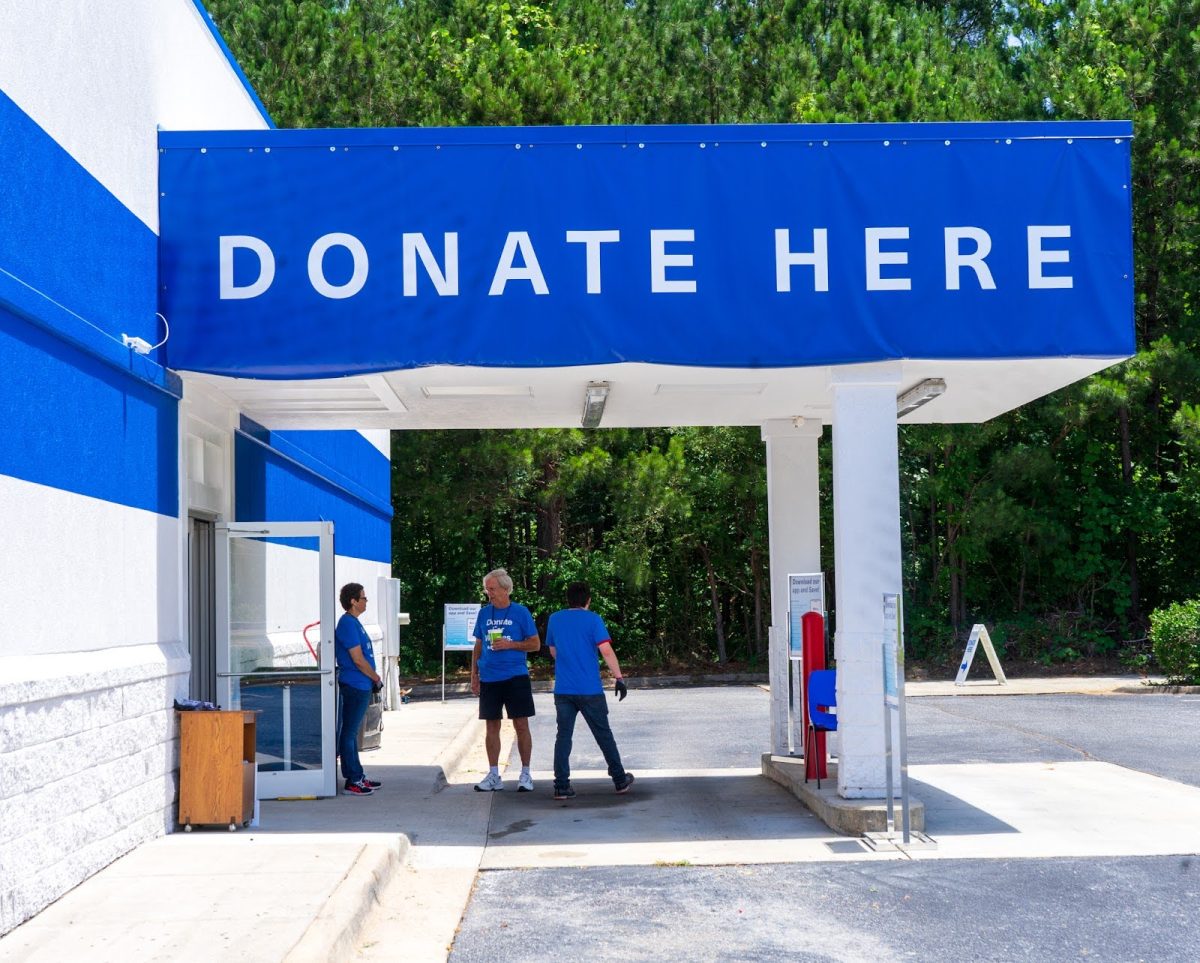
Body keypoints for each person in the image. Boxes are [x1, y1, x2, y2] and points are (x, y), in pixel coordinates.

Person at [546, 581, 634, 800]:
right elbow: (605, 650)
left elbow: (553, 650)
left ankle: (561, 785)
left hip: (564, 688)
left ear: (568, 599)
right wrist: (619, 677)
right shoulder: (593, 619)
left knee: (563, 736)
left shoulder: (555, 619)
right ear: (588, 600)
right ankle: (619, 779)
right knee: (603, 734)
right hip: (590, 689)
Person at [471, 568, 540, 792]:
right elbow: (478, 645)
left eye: (492, 589)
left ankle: (526, 773)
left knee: (521, 724)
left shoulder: (521, 613)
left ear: (505, 589)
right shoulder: (484, 614)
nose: (488, 593)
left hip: (515, 676)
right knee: (491, 725)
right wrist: (474, 674)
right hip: (490, 677)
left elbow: (535, 644)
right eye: (486, 589)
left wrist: (511, 644)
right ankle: (493, 774)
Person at [335, 582, 383, 796]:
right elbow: (357, 658)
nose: (366, 602)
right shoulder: (347, 623)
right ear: (353, 601)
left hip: (361, 684)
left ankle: (358, 775)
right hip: (355, 684)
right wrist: (375, 677)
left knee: (352, 733)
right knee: (349, 733)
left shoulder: (355, 622)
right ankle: (352, 780)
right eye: (363, 598)